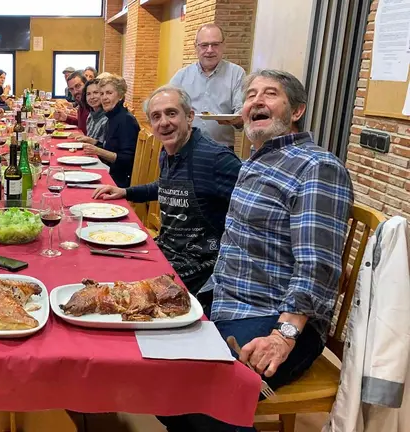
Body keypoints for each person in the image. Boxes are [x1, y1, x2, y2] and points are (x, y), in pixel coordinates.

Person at [159, 70, 354, 431]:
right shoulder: (257, 161)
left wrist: (283, 336)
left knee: (202, 399)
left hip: (278, 319)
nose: (256, 101)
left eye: (270, 94)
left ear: (296, 111)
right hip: (226, 304)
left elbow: (318, 265)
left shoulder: (317, 167)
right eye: (250, 95)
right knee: (154, 371)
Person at [93, 86, 241, 295]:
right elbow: (164, 186)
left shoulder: (216, 159)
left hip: (199, 268)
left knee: (121, 294)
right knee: (101, 261)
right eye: (156, 116)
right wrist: (126, 192)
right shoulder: (169, 150)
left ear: (190, 117)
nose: (164, 122)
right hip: (167, 251)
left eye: (171, 113)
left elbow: (253, 212)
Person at [170, 23, 245, 149]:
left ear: (223, 46)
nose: (209, 50)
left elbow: (241, 110)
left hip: (222, 149)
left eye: (215, 45)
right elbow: (168, 106)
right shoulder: (181, 76)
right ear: (196, 47)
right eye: (204, 45)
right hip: (186, 146)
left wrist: (239, 119)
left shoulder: (236, 73)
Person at [83, 75, 139, 188]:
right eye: (102, 93)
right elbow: (110, 148)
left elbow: (127, 159)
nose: (104, 98)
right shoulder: (112, 117)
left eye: (109, 93)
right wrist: (93, 142)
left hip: (118, 181)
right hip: (109, 172)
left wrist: (98, 150)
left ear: (120, 95)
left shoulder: (126, 120)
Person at [74, 79, 108, 145]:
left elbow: (105, 147)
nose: (92, 97)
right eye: (88, 94)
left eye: (95, 92)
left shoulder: (107, 118)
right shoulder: (90, 115)